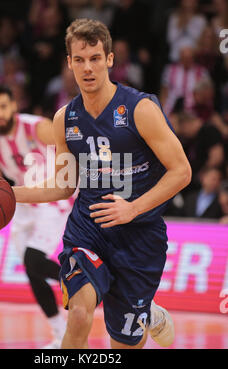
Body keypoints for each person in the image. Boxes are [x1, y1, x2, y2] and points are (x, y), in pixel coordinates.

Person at [13, 19, 192, 349]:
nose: (87, 68)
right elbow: (66, 185)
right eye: (79, 60)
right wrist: (11, 195)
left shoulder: (140, 109)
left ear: (110, 59)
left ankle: (146, 312)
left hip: (139, 236)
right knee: (80, 314)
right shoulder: (64, 119)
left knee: (122, 346)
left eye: (95, 58)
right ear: (69, 63)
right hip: (88, 230)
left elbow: (181, 171)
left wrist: (133, 208)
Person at [0, 84, 71, 349]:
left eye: (4, 107)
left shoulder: (36, 127)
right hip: (23, 199)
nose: (0, 113)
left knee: (33, 258)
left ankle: (83, 283)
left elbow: (72, 148)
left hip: (52, 196)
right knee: (32, 271)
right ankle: (61, 335)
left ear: (14, 106)